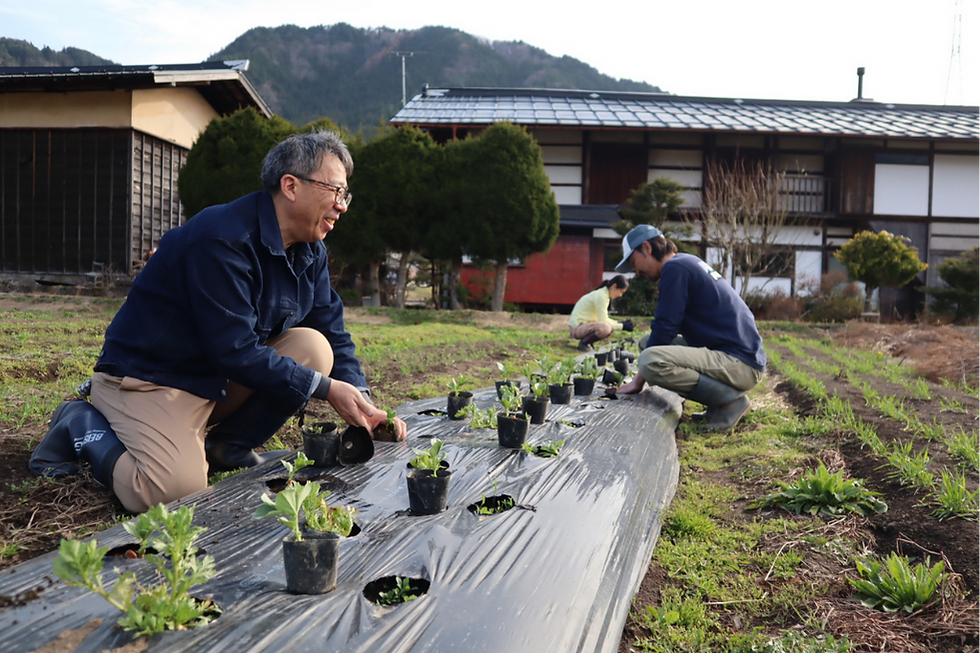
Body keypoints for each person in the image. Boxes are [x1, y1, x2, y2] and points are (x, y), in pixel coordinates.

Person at [29, 130, 406, 513]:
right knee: (172, 492)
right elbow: (235, 351)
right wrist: (327, 389)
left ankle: (227, 447)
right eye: (335, 191)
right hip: (151, 381)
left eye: (345, 194)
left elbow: (331, 327)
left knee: (314, 348)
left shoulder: (310, 250)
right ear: (291, 186)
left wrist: (363, 401)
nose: (342, 205)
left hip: (212, 379)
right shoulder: (223, 240)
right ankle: (80, 423)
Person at [613, 224, 766, 431]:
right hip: (735, 355)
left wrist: (637, 381)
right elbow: (664, 328)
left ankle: (731, 401)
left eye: (634, 262)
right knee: (646, 343)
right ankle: (717, 403)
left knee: (650, 361)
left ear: (647, 248)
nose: (637, 271)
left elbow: (665, 326)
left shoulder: (675, 268)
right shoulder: (685, 262)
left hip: (740, 363)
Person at [568, 275, 634, 351]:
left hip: (583, 325)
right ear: (614, 286)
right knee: (606, 328)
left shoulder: (603, 294)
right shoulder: (601, 296)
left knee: (611, 327)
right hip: (577, 328)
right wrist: (622, 326)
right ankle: (584, 343)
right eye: (621, 292)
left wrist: (620, 323)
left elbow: (604, 318)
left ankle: (588, 342)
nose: (620, 295)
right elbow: (603, 321)